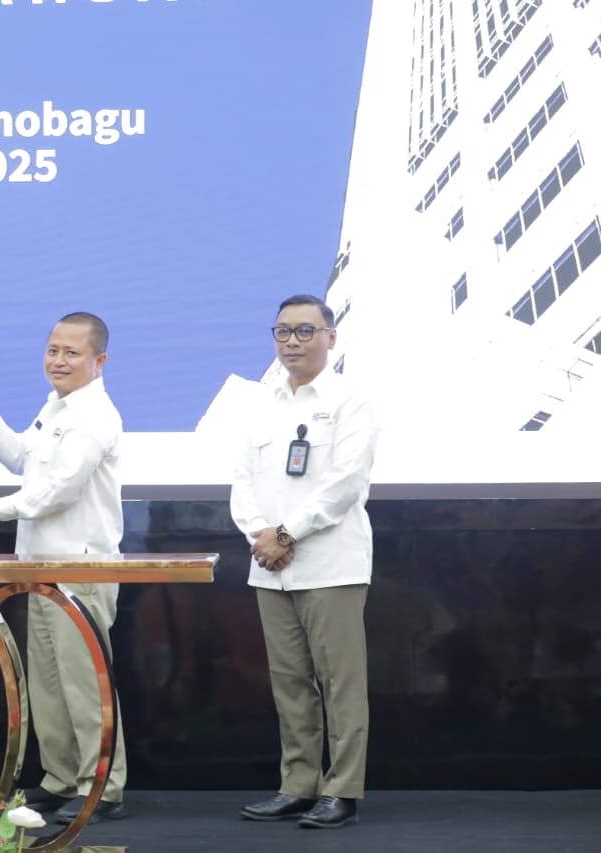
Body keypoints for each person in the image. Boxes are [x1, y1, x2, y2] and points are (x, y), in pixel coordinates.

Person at [0, 311, 128, 824]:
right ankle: (62, 778)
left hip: (81, 569)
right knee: (49, 684)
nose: (58, 360)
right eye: (53, 350)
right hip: (41, 566)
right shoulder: (57, 406)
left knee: (84, 683)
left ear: (99, 361)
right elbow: (23, 461)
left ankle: (102, 787)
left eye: (72, 352)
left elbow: (59, 490)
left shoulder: (95, 415)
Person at [230, 294, 378, 830]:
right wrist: (261, 535)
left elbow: (344, 484)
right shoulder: (260, 402)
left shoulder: (350, 399)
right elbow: (242, 481)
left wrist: (287, 533)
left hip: (331, 564)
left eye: (305, 331)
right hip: (271, 565)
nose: (292, 341)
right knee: (289, 681)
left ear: (331, 337)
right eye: (283, 331)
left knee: (339, 682)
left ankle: (342, 791)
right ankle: (298, 784)